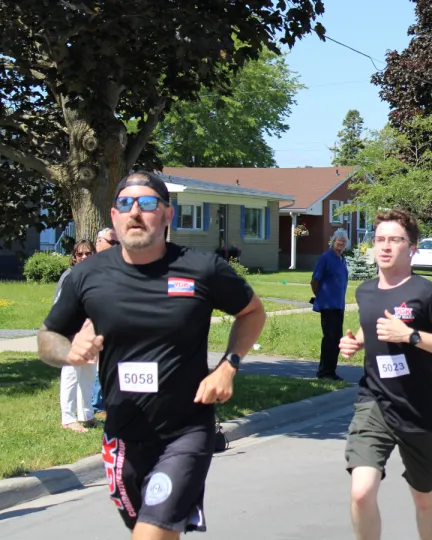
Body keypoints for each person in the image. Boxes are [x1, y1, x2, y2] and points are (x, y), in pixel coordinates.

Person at [38, 171, 266, 539]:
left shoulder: (202, 269)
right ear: (113, 216)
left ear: (167, 215)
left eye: (147, 204)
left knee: (152, 532)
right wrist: (68, 351)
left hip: (186, 430)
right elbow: (47, 338)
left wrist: (228, 366)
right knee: (149, 529)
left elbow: (252, 312)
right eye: (126, 204)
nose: (136, 213)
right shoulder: (89, 275)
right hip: (123, 435)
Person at [339, 209, 432, 540]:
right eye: (379, 239)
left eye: (394, 240)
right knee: (361, 491)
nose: (384, 247)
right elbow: (373, 323)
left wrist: (411, 335)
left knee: (423, 495)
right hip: (375, 401)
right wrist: (355, 340)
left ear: (412, 248)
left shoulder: (428, 294)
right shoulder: (365, 291)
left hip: (419, 409)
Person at [55, 240, 97, 433]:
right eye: (80, 254)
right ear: (74, 257)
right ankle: (68, 418)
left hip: (92, 332)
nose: (84, 257)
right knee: (71, 373)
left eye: (88, 253)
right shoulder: (69, 277)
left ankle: (86, 415)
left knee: (88, 373)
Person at [311, 229, 349, 381]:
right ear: (333, 241)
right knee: (330, 338)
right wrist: (320, 296)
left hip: (339, 305)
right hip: (328, 305)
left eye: (344, 241)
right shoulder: (326, 258)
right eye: (338, 240)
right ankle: (324, 372)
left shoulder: (342, 258)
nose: (341, 243)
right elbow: (315, 280)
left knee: (337, 338)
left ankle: (331, 371)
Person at [91, 227, 118, 418]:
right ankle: (96, 405)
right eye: (113, 243)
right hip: (96, 324)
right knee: (100, 363)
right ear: (99, 243)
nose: (117, 246)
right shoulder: (93, 266)